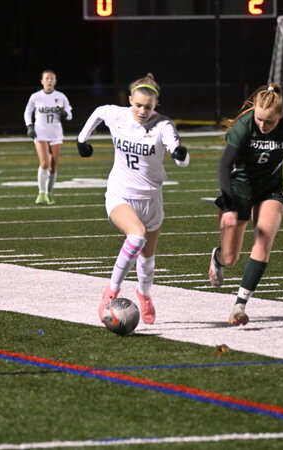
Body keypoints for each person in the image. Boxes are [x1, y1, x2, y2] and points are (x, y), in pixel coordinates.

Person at [76, 73, 190, 325]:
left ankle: (144, 294)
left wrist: (180, 154)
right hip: (120, 195)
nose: (142, 111)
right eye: (138, 105)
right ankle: (111, 292)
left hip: (151, 201)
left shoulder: (163, 125)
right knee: (136, 236)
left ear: (156, 104)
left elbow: (179, 156)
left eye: (148, 107)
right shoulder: (117, 115)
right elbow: (99, 112)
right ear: (130, 100)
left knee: (147, 259)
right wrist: (82, 139)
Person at [208, 83, 283, 326]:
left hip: (270, 189)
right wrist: (229, 206)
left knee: (263, 241)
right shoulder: (244, 126)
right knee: (230, 258)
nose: (263, 125)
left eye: (269, 121)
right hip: (239, 188)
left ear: (280, 115)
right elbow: (224, 166)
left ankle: (239, 306)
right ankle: (218, 258)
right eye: (259, 119)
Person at [23, 69, 73, 205]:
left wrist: (64, 113)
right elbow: (27, 112)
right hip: (40, 133)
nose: (49, 81)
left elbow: (70, 115)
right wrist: (29, 126)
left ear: (55, 81)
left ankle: (49, 193)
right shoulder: (35, 97)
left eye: (52, 79)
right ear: (42, 81)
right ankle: (41, 192)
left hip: (56, 134)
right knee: (44, 163)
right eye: (47, 79)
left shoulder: (61, 97)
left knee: (53, 166)